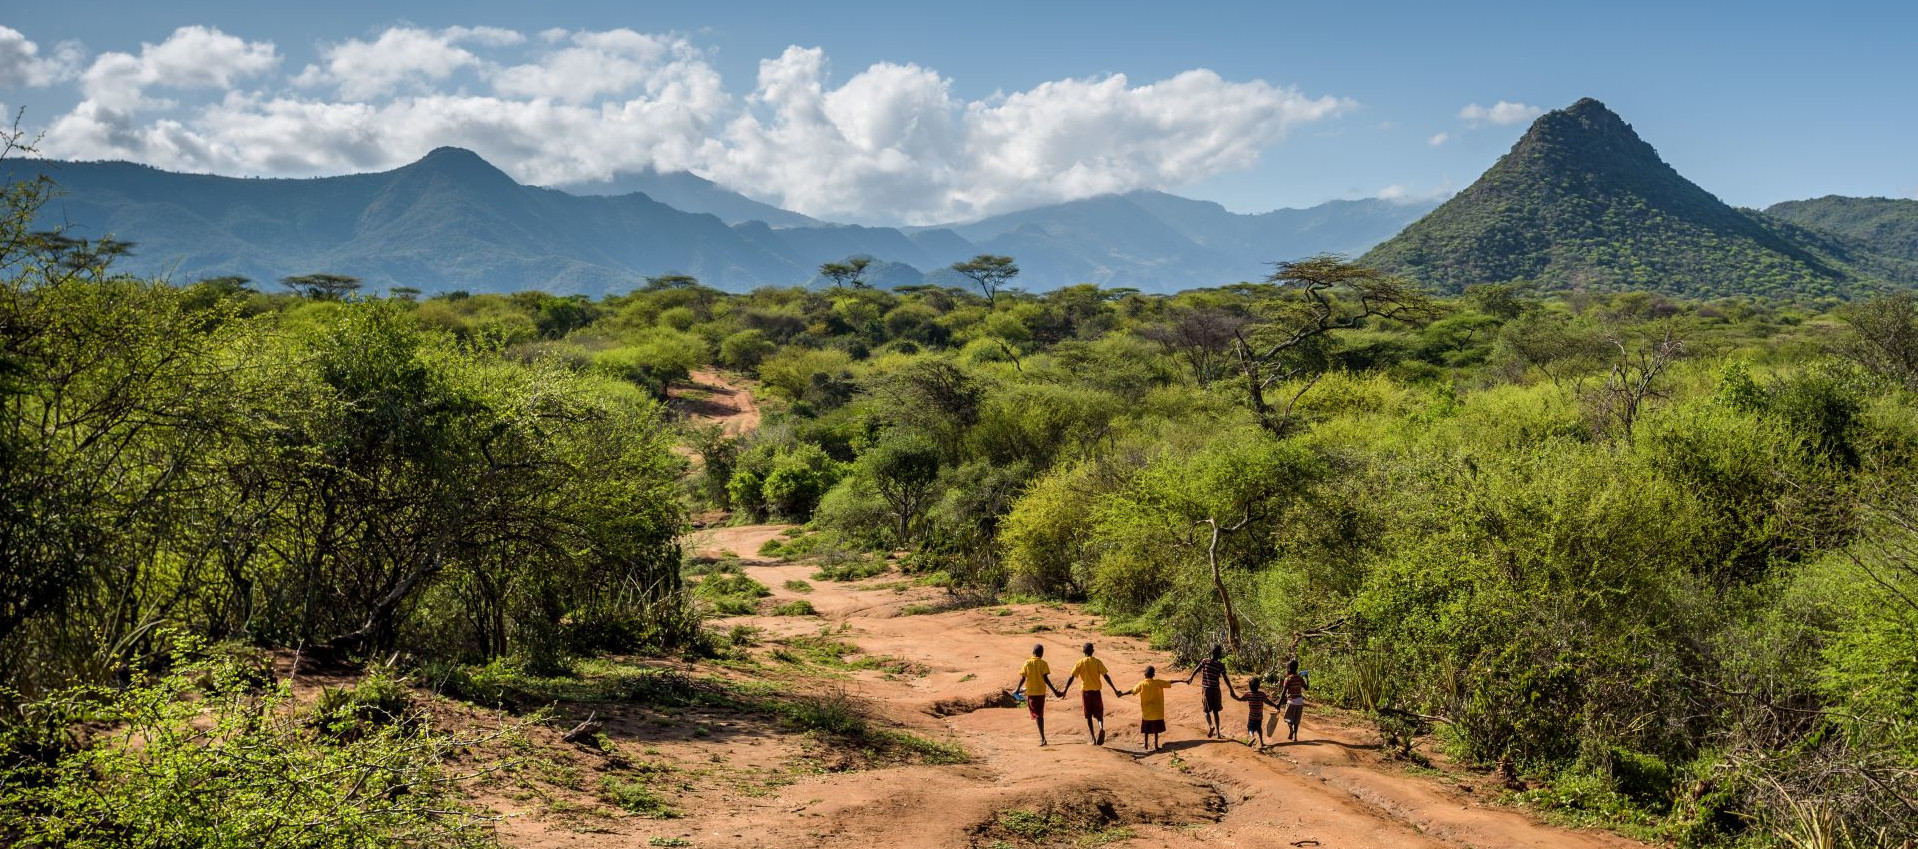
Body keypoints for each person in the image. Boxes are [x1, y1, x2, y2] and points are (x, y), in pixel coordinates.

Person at [1061, 642, 1121, 745]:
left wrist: (1065, 690)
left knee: (1088, 716)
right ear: (1093, 651)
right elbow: (1106, 676)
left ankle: (1093, 738)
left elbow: (1071, 677)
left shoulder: (1080, 663)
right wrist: (1114, 689)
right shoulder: (1097, 662)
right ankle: (1101, 727)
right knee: (1099, 714)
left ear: (1083, 651)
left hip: (1086, 693)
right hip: (1097, 692)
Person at [1113, 665, 1176, 752]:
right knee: (1156, 730)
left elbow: (1132, 691)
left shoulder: (1142, 684)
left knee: (1146, 729)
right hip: (1157, 711)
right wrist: (1182, 681)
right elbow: (1170, 682)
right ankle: (1156, 745)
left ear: (1145, 674)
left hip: (1146, 712)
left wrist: (1122, 694)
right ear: (1153, 675)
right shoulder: (1158, 682)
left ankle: (1146, 744)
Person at [1013, 643, 1065, 746]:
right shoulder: (1043, 663)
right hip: (1041, 692)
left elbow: (1023, 678)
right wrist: (1055, 691)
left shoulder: (1027, 663)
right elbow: (1046, 679)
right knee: (1039, 714)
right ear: (1041, 653)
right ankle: (1043, 738)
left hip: (1032, 693)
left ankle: (1043, 738)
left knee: (1038, 715)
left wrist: (1017, 689)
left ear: (1033, 652)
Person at [1183, 645, 1229, 738]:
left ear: (1210, 652)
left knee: (1206, 710)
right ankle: (1219, 734)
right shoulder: (1220, 665)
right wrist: (1231, 690)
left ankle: (1211, 725)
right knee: (1216, 711)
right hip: (1216, 690)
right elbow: (1225, 678)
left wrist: (1190, 678)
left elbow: (1196, 670)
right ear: (1219, 654)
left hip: (1206, 689)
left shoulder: (1205, 661)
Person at [1228, 676, 1280, 749]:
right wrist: (1275, 705)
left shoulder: (1248, 694)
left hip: (1252, 716)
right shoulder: (1262, 694)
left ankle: (1252, 737)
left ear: (1249, 686)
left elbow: (1241, 699)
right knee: (1259, 728)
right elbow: (1268, 702)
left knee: (1250, 728)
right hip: (1259, 716)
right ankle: (1262, 743)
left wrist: (1234, 697)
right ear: (1259, 686)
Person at [1279, 659, 1309, 742]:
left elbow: (1283, 692)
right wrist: (1307, 678)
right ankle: (1295, 737)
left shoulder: (1287, 679)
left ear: (1288, 668)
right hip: (1300, 701)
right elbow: (1306, 688)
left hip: (1291, 701)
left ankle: (1291, 729)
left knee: (1288, 718)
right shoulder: (1300, 678)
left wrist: (1278, 704)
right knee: (1296, 720)